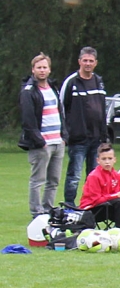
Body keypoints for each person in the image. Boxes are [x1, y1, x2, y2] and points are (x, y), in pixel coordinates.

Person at [19, 53, 65, 219]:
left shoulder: (53, 88)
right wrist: (39, 141)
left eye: (45, 67)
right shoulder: (29, 91)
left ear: (49, 69)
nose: (42, 70)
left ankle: (48, 209)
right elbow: (28, 119)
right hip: (42, 143)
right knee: (38, 179)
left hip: (58, 141)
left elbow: (60, 112)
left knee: (54, 180)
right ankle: (37, 212)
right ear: (33, 70)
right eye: (39, 67)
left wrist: (63, 136)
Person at [60, 47, 107, 206]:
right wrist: (66, 133)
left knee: (94, 175)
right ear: (79, 61)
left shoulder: (99, 82)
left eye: (91, 61)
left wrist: (104, 135)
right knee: (75, 175)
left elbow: (102, 109)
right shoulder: (71, 82)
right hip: (78, 138)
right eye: (85, 60)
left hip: (96, 138)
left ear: (96, 63)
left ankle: (90, 204)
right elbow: (61, 108)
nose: (88, 63)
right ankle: (69, 205)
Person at [80, 143, 120, 230]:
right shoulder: (94, 176)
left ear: (114, 160)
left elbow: (115, 195)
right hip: (92, 210)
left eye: (110, 158)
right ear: (98, 160)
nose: (107, 162)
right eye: (104, 159)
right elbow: (96, 200)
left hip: (108, 206)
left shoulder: (115, 174)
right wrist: (117, 195)